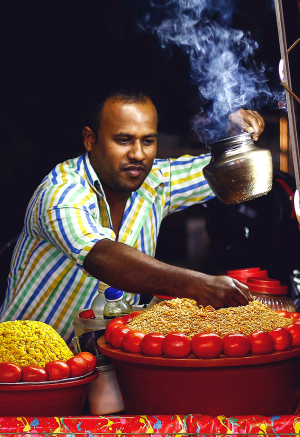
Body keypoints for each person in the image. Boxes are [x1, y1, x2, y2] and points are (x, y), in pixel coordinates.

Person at [1, 86, 265, 342]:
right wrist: (197, 284)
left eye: (148, 141)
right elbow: (102, 256)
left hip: (105, 359)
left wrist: (236, 138)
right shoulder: (61, 192)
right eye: (123, 140)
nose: (138, 154)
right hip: (26, 367)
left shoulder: (157, 182)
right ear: (89, 139)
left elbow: (232, 171)